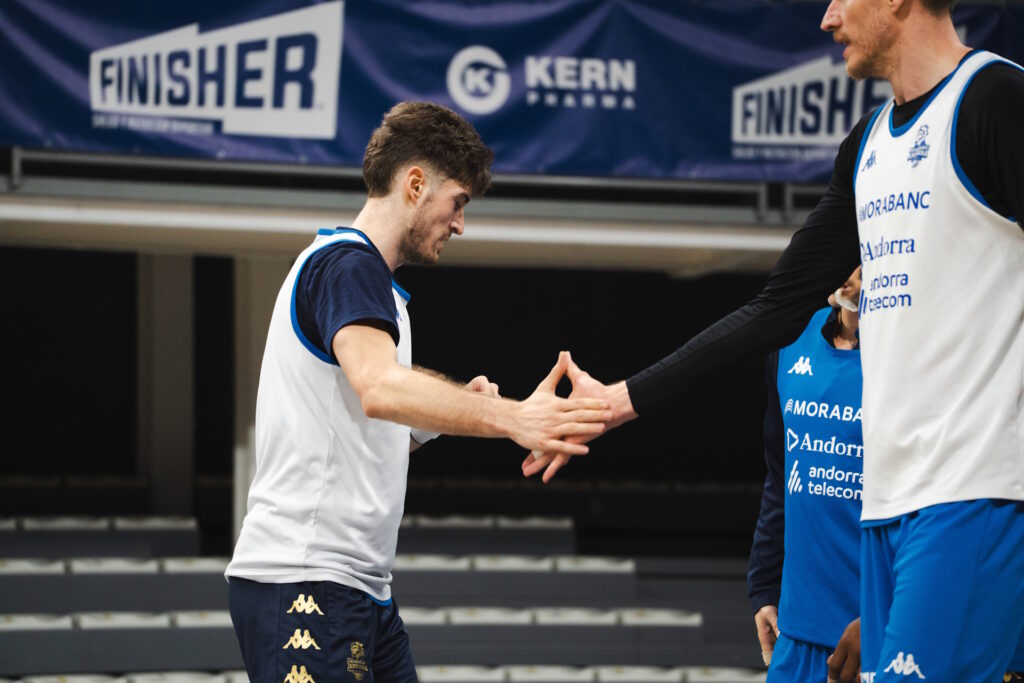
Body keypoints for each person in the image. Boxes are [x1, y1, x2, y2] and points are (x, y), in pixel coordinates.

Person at [526, 2, 1024, 680]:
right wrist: (617, 401)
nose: (827, 17)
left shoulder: (997, 100)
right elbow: (774, 310)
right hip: (889, 510)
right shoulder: (869, 142)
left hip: (975, 494)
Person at [225, 101, 611, 683]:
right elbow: (380, 389)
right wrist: (509, 416)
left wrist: (443, 415)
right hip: (307, 580)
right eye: (458, 202)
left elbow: (364, 430)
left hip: (361, 589)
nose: (460, 223)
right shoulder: (347, 265)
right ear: (413, 184)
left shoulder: (371, 288)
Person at [748, 267, 863, 682]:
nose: (847, 269)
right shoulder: (791, 339)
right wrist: (763, 586)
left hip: (876, 633)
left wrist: (892, 614)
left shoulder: (917, 359)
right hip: (796, 635)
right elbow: (781, 475)